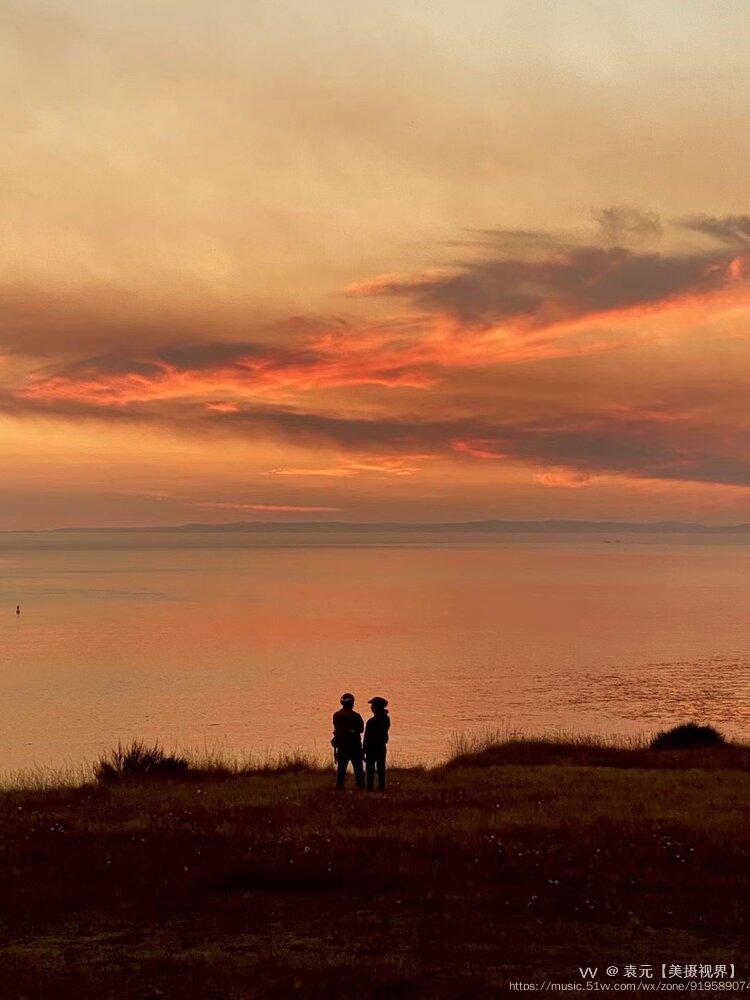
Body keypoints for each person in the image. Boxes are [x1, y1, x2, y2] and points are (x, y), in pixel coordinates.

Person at [331, 692, 364, 790]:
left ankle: (339, 787)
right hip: (354, 746)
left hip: (343, 746)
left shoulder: (337, 715)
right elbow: (361, 729)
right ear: (352, 703)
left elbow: (338, 729)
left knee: (342, 769)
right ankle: (361, 786)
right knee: (358, 769)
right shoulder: (357, 716)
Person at [363, 696, 390, 791]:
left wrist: (364, 750)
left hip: (372, 748)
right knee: (381, 768)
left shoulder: (371, 722)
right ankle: (381, 786)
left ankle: (370, 787)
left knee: (370, 769)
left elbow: (366, 737)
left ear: (376, 708)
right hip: (381, 747)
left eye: (372, 706)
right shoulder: (386, 719)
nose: (371, 707)